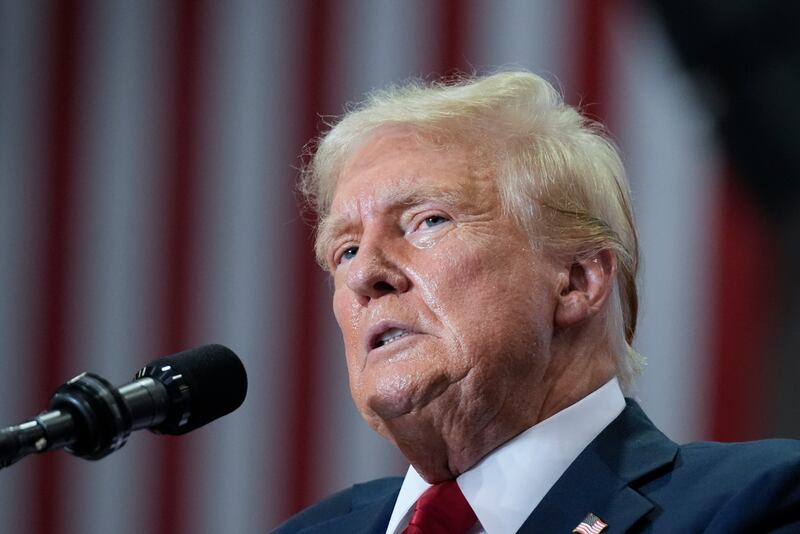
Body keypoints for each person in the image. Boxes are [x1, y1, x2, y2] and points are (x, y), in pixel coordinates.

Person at [274, 71, 800, 533]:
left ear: (577, 280)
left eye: (428, 221)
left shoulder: (755, 505)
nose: (365, 274)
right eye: (343, 251)